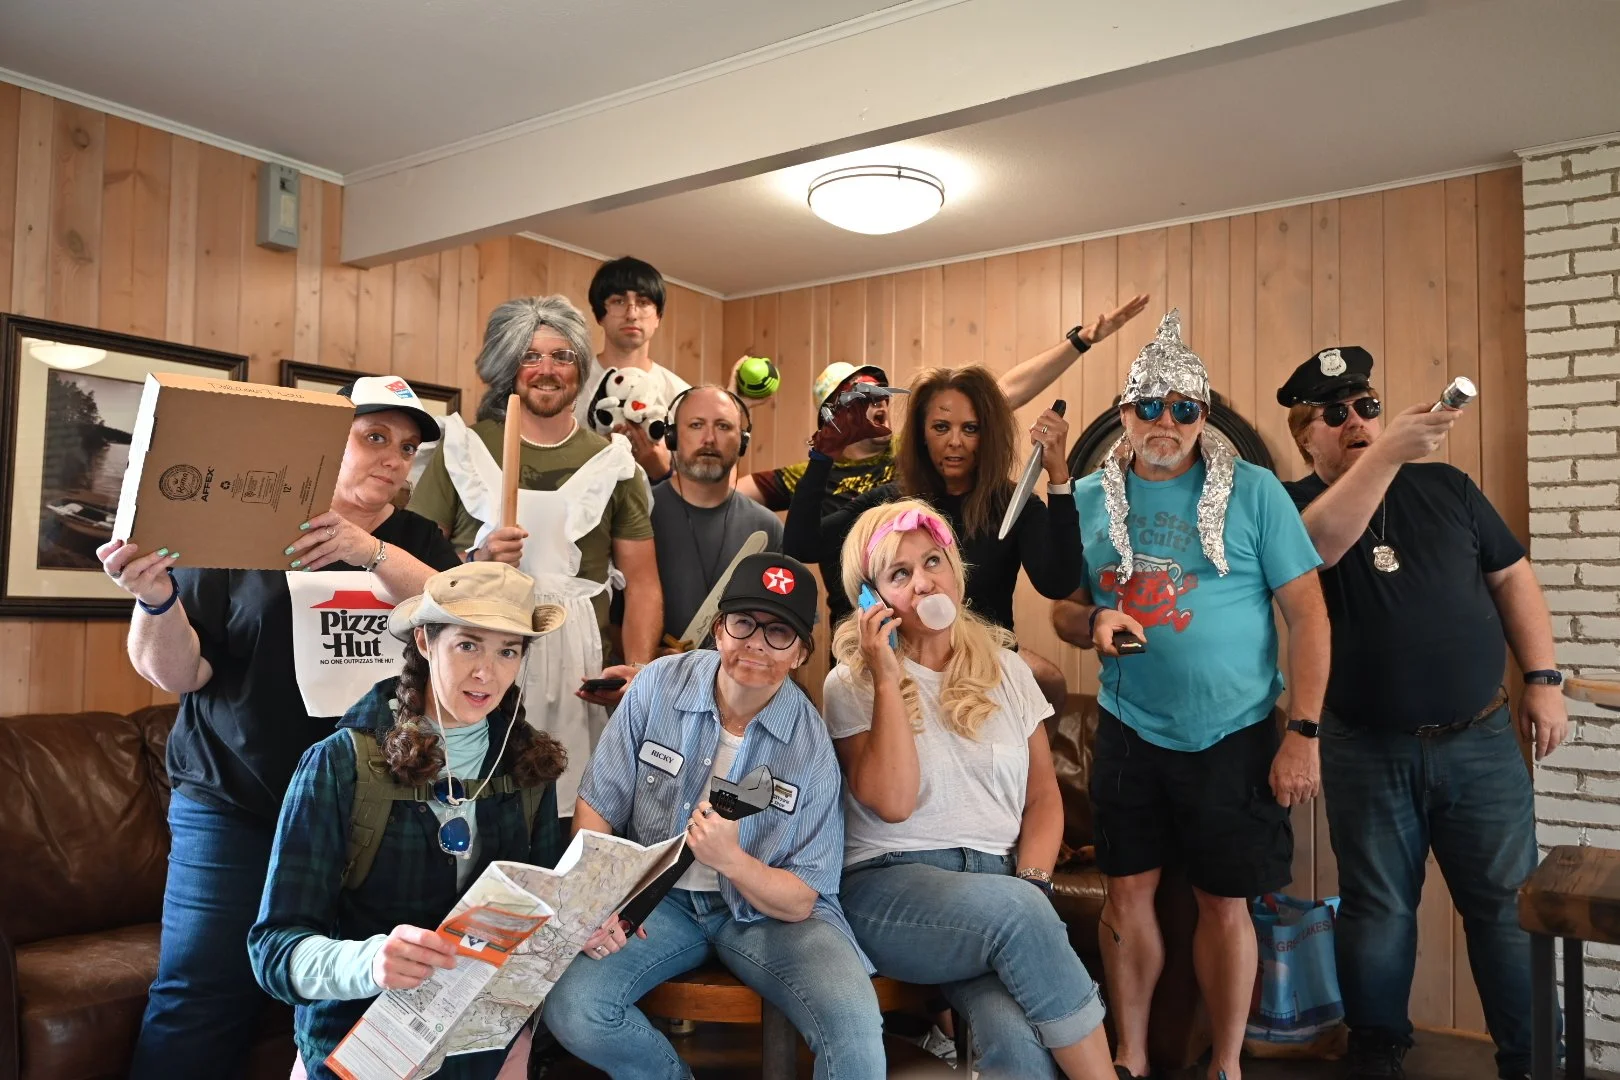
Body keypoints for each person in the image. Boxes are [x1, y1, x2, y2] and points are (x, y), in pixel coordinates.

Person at [97, 376, 462, 1079]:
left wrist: (368, 552)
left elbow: (459, 613)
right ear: (327, 443)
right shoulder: (246, 527)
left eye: (409, 447)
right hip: (235, 800)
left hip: (365, 813)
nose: (394, 458)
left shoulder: (418, 542)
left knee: (366, 995)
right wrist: (154, 599)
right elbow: (178, 673)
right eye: (375, 437)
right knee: (201, 993)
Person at [1050, 311, 1330, 1080]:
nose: (1164, 421)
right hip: (1128, 727)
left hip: (1235, 732)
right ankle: (1131, 1055)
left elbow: (1308, 616)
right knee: (1127, 896)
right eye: (1148, 406)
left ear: (1203, 416)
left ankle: (1228, 1064)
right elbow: (1063, 610)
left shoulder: (1256, 492)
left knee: (1224, 903)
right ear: (1123, 415)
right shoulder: (1085, 499)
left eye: (1183, 407)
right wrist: (1094, 619)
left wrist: (1302, 734)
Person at [1276, 347, 1566, 1080]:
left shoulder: (1447, 488)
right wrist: (1385, 456)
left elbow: (1512, 579)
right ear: (1303, 436)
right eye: (1334, 414)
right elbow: (1316, 548)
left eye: (1367, 407)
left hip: (1481, 741)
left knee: (1505, 912)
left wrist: (1544, 677)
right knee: (1377, 913)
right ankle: (1377, 1053)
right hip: (1366, 748)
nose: (1356, 422)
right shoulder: (1286, 506)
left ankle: (1531, 1061)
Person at [542, 554, 885, 1079]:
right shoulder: (656, 687)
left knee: (854, 1023)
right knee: (574, 1007)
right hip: (658, 902)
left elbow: (802, 898)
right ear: (718, 630)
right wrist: (598, 899)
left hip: (764, 913)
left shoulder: (810, 746)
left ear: (800, 654)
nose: (756, 645)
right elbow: (597, 806)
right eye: (743, 623)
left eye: (779, 633)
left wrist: (732, 861)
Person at [821, 500, 1113, 1079]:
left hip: (997, 890)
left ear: (957, 571)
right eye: (898, 574)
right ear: (870, 599)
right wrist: (887, 675)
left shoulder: (1008, 671)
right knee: (1017, 916)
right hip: (892, 889)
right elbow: (893, 802)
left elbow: (1042, 799)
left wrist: (1029, 884)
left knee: (1019, 1043)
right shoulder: (850, 683)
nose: (923, 581)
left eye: (933, 561)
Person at [249, 561, 569, 1080]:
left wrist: (590, 928)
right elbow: (272, 952)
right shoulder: (340, 764)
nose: (487, 672)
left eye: (508, 650)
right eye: (468, 644)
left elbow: (545, 912)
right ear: (424, 641)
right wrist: (371, 963)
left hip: (481, 1040)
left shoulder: (529, 762)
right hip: (359, 1037)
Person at [409, 295, 661, 814]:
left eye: (562, 356)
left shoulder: (613, 463)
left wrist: (636, 670)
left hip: (578, 663)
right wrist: (474, 561)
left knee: (566, 806)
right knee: (470, 797)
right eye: (530, 355)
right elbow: (414, 566)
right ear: (507, 366)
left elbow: (643, 582)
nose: (547, 370)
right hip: (476, 651)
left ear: (580, 367)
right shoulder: (462, 449)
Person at [788, 365, 1080, 711]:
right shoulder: (891, 501)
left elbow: (1058, 583)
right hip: (906, 681)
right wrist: (823, 455)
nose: (955, 442)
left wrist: (1059, 475)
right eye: (941, 427)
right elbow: (801, 545)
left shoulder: (1013, 505)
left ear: (988, 434)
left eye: (970, 429)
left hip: (984, 676)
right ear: (921, 434)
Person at [737, 293, 1150, 515]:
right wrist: (739, 407)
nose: (880, 402)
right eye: (862, 396)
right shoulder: (806, 476)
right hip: (853, 627)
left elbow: (1003, 393)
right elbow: (728, 490)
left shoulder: (915, 450)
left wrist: (1081, 340)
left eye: (882, 392)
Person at [652, 385, 783, 646]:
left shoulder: (767, 528)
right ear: (672, 437)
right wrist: (649, 659)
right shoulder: (640, 513)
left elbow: (785, 630)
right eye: (696, 425)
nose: (709, 439)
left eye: (723, 426)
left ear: (742, 441)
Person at [577, 255, 691, 480]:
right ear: (600, 314)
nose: (632, 314)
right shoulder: (572, 383)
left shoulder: (682, 395)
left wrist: (661, 471)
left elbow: (698, 484)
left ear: (658, 316)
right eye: (618, 301)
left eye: (644, 302)